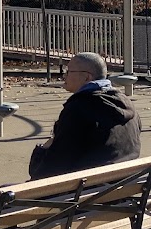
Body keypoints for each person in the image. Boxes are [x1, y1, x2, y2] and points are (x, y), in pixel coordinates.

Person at [28, 52, 141, 180]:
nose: (64, 75)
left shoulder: (79, 108)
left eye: (69, 71)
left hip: (85, 192)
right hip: (121, 187)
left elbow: (49, 170)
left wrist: (42, 150)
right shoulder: (127, 104)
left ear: (87, 77)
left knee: (5, 192)